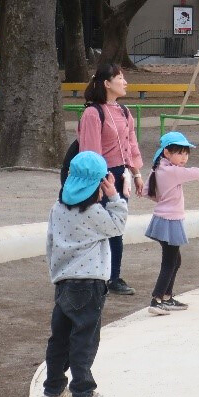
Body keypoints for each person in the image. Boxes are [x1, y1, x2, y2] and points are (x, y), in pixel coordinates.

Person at [42, 151, 127, 397]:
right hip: (89, 284)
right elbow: (118, 226)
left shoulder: (57, 209)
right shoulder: (93, 212)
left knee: (60, 339)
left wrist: (56, 274)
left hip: (63, 282)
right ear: (99, 183)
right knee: (84, 339)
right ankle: (83, 394)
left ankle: (53, 389)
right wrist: (114, 196)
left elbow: (50, 243)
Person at [78, 63, 144, 296]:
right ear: (107, 83)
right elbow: (90, 153)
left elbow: (131, 144)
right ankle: (93, 276)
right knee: (98, 226)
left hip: (120, 176)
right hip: (102, 178)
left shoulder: (125, 111)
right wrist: (97, 184)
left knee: (116, 227)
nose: (125, 82)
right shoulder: (92, 113)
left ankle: (114, 276)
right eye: (120, 78)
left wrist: (136, 173)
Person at [144, 131, 199, 316]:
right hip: (170, 221)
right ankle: (157, 299)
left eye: (186, 153)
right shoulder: (172, 171)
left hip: (163, 220)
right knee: (170, 262)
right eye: (179, 153)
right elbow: (198, 173)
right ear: (166, 153)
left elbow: (147, 192)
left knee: (175, 260)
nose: (184, 158)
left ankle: (167, 297)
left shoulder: (159, 168)